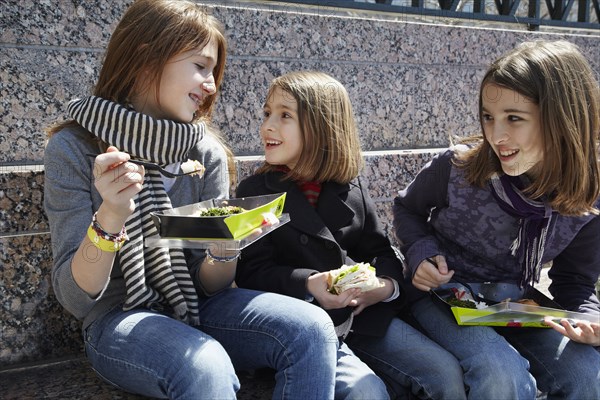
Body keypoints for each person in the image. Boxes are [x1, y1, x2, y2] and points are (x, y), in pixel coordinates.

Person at [43, 1, 344, 398]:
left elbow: (214, 286)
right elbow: (76, 298)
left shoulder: (205, 152)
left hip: (197, 304)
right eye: (201, 66)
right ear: (148, 56)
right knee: (204, 363)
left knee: (310, 327)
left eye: (213, 71)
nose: (211, 85)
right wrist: (111, 215)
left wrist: (225, 248)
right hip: (118, 318)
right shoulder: (74, 148)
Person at [235, 70, 467, 399]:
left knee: (444, 373)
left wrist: (383, 288)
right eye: (267, 113)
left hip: (362, 318)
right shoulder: (255, 191)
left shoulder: (349, 187)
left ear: (321, 128)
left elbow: (382, 253)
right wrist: (309, 282)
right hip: (304, 327)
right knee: (367, 393)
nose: (267, 126)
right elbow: (249, 273)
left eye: (284, 115)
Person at [393, 40, 600, 399]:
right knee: (499, 371)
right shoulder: (457, 166)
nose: (497, 135)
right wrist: (421, 254)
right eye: (489, 117)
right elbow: (406, 209)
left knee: (587, 375)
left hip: (514, 304)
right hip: (442, 298)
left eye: (514, 119)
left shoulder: (588, 194)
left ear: (564, 120)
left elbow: (576, 283)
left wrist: (589, 320)